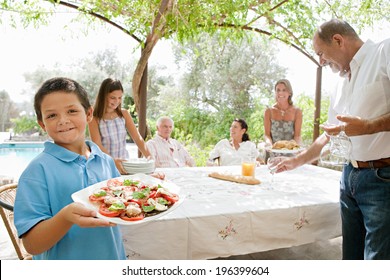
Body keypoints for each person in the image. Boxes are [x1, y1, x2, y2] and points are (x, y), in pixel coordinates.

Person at [275, 19, 390, 260]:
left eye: (321, 53)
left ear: (338, 40)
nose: (321, 61)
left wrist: (369, 126)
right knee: (351, 258)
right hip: (348, 177)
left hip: (382, 179)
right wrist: (295, 161)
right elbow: (329, 136)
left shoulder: (384, 52)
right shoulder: (338, 84)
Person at [14, 77, 126, 260]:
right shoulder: (37, 171)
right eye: (51, 115)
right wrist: (65, 217)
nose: (63, 121)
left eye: (72, 111)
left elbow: (122, 207)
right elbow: (32, 245)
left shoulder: (106, 161)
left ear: (89, 114)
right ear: (42, 124)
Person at [89, 78, 151, 175]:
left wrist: (149, 157)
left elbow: (137, 138)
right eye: (113, 98)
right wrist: (113, 161)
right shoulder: (94, 118)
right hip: (105, 166)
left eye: (120, 97)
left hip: (124, 165)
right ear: (103, 96)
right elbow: (97, 145)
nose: (117, 101)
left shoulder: (124, 114)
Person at [264, 79, 303, 147]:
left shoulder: (297, 111)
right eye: (278, 90)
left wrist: (297, 148)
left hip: (291, 151)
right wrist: (269, 145)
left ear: (290, 93)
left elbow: (297, 136)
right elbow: (267, 135)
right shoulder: (269, 111)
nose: (280, 93)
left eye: (284, 90)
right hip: (273, 150)